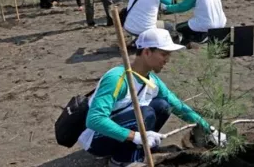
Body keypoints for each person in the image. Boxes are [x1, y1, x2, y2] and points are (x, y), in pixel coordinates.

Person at [78, 28, 226, 166]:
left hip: (123, 129)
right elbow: (94, 120)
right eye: (164, 54)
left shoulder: (152, 80)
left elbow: (178, 106)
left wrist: (210, 130)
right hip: (96, 139)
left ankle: (136, 149)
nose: (167, 59)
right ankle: (120, 160)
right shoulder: (117, 79)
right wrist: (136, 136)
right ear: (147, 52)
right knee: (146, 113)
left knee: (163, 106)